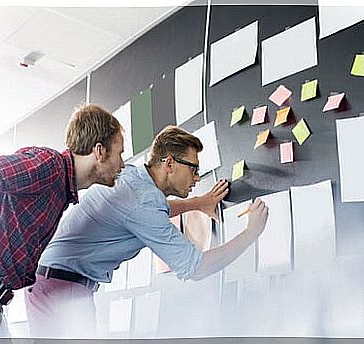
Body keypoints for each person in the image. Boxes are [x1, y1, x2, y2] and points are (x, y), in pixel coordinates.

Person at [25, 125, 269, 338]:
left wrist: (197, 203)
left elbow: (151, 212)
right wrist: (251, 234)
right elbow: (196, 267)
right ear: (170, 164)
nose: (196, 178)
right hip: (60, 289)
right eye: (194, 169)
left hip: (55, 284)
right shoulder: (141, 201)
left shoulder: (135, 178)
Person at [0, 104, 125, 338]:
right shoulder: (50, 166)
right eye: (119, 153)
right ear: (100, 152)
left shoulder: (61, 188)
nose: (121, 164)